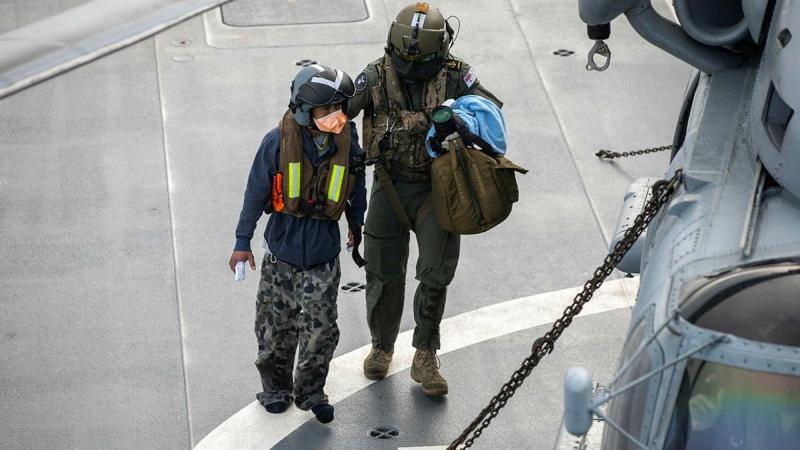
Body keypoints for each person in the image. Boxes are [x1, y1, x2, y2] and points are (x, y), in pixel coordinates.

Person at [347, 2, 502, 397]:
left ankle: (425, 354)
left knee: (435, 273)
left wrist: (460, 120)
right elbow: (337, 111)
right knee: (382, 271)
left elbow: (491, 114)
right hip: (390, 182)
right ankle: (381, 346)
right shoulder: (375, 76)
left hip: (439, 189)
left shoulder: (458, 77)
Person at [228, 64, 367, 423]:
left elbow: (357, 191)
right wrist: (242, 242)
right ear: (305, 110)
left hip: (323, 256)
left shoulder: (349, 146)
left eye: (341, 109)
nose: (337, 117)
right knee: (276, 327)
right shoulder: (277, 142)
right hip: (281, 256)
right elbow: (255, 193)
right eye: (328, 111)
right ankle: (275, 389)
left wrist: (356, 223)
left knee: (322, 328)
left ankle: (311, 391)